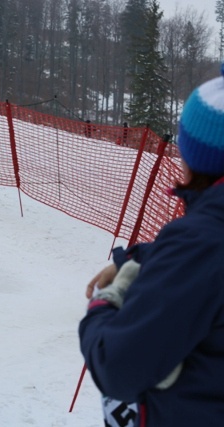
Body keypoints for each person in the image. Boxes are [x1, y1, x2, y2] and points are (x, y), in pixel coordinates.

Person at [79, 69, 224, 426]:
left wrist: (103, 305)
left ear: (198, 156)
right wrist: (141, 257)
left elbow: (118, 367)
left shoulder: (199, 242)